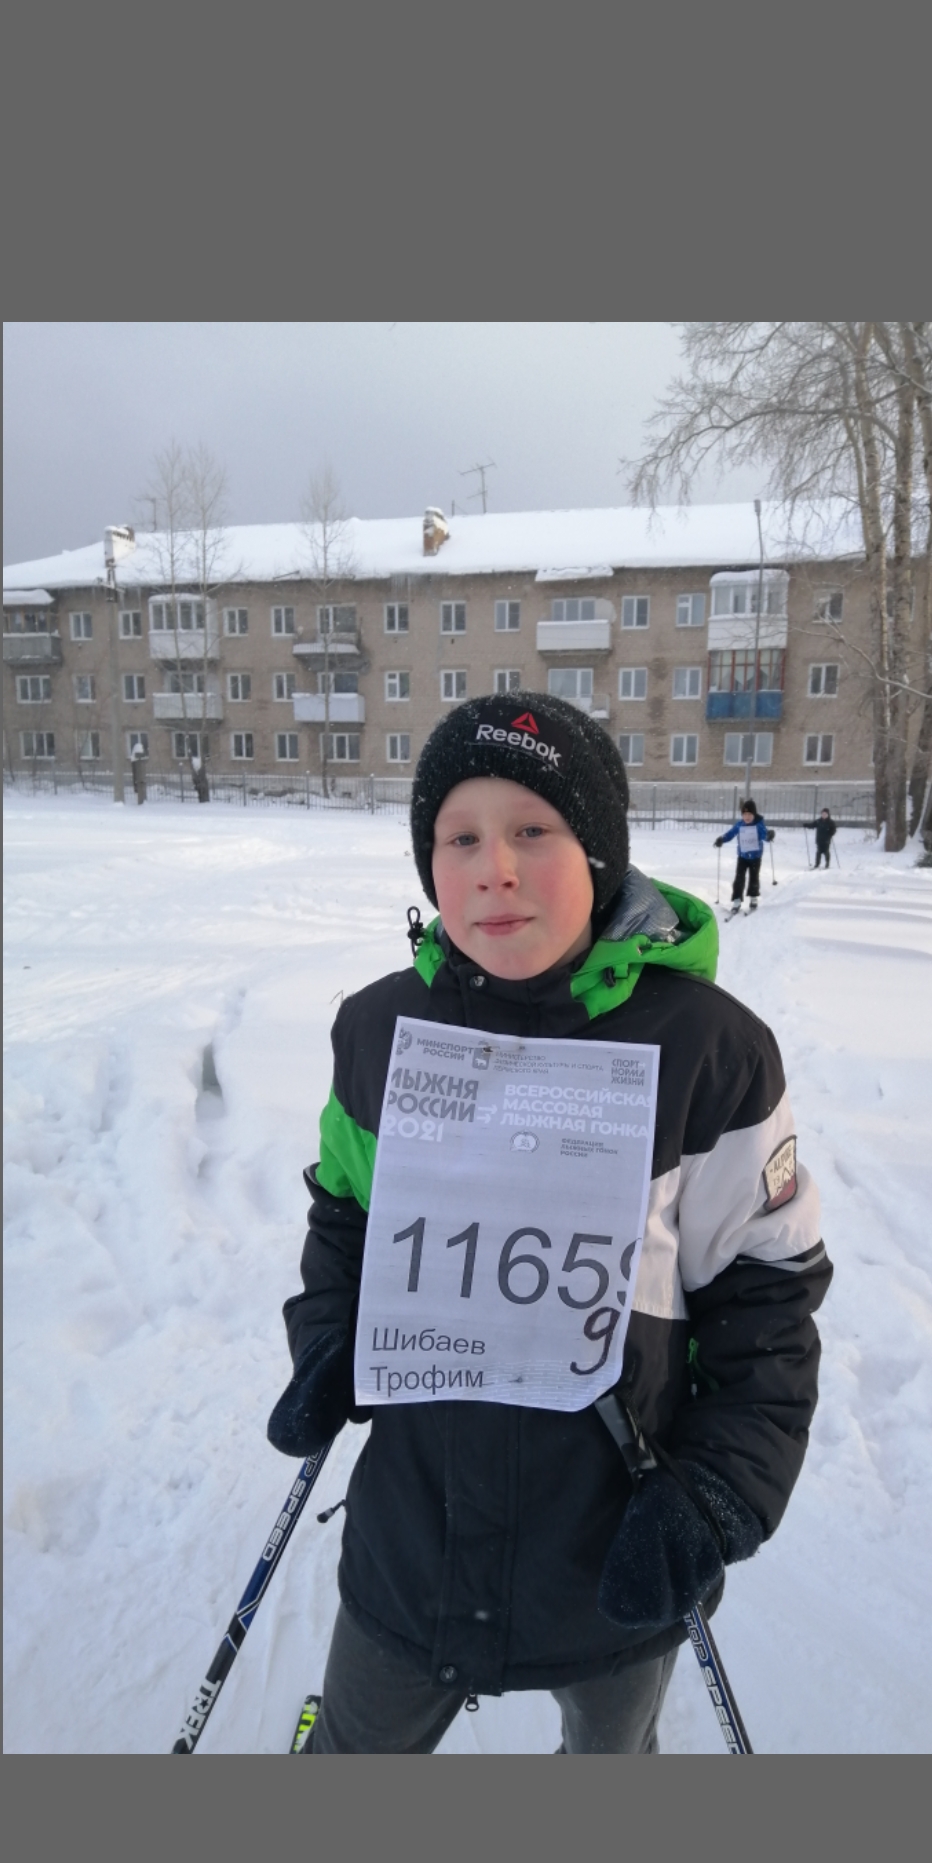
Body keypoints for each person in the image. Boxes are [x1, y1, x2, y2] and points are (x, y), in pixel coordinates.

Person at [267, 694, 831, 1753]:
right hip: (413, 1545)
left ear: (601, 853)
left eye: (534, 830)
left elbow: (768, 1303)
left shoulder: (710, 1052)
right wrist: (329, 1339)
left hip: (616, 1546)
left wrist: (717, 1494)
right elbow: (345, 1217)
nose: (496, 869)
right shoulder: (378, 1031)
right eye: (461, 839)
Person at [714, 799, 772, 910]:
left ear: (754, 814)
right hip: (742, 856)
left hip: (755, 856)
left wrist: (769, 836)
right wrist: (722, 839)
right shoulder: (740, 825)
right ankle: (737, 899)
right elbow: (731, 833)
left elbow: (764, 835)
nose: (747, 817)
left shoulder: (758, 825)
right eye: (744, 814)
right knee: (739, 878)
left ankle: (753, 897)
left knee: (754, 877)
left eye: (749, 814)